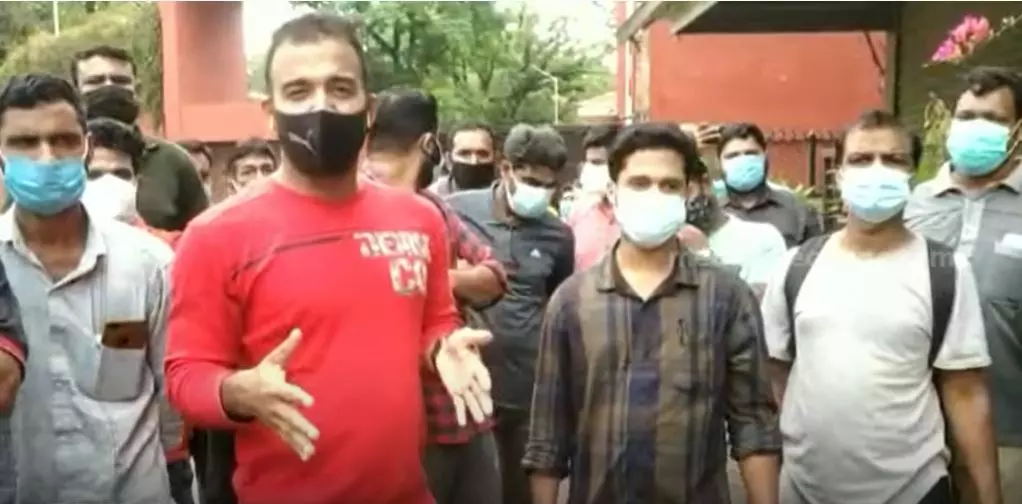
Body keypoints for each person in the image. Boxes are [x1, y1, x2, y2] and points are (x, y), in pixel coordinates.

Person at [164, 14, 493, 504]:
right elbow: (185, 374)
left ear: (369, 108)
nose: (321, 106)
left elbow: (435, 320)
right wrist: (236, 392)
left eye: (340, 88)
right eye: (298, 91)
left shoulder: (418, 219)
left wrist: (442, 347)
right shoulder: (215, 236)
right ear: (270, 112)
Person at [524, 121, 781, 504]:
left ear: (688, 192)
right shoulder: (572, 302)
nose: (654, 195)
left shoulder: (726, 298)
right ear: (613, 192)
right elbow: (548, 436)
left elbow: (754, 427)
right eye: (639, 183)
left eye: (669, 185)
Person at [764, 110, 999, 504]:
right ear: (838, 174)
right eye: (860, 159)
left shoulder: (945, 270)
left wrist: (989, 494)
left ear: (912, 175)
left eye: (893, 160)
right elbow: (775, 377)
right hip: (804, 489)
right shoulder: (795, 266)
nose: (876, 170)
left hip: (914, 489)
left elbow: (966, 393)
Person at [0, 73, 179, 504]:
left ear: (88, 147)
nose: (46, 158)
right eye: (25, 143)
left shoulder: (148, 264)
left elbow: (172, 400)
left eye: (63, 140)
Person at [363, 88, 507, 504]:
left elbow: (495, 275)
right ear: (430, 144)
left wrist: (428, 278)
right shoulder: (350, 205)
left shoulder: (433, 208)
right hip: (399, 425)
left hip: (462, 409)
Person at [906, 66, 1022, 504]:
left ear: (1018, 131)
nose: (976, 126)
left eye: (993, 119)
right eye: (967, 116)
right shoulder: (911, 204)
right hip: (916, 435)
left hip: (1009, 436)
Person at [445, 123, 574, 504]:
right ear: (505, 169)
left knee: (518, 490)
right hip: (464, 381)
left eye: (548, 185)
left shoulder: (558, 235)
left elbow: (555, 302)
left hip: (525, 388)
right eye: (530, 180)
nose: (538, 191)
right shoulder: (456, 210)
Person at [71, 45, 209, 231]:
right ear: (74, 91)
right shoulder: (57, 157)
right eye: (96, 81)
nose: (109, 87)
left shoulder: (173, 160)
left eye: (120, 81)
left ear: (136, 88)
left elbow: (200, 234)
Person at [717, 122, 823, 247]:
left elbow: (817, 255)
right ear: (719, 163)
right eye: (732, 156)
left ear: (765, 157)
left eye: (751, 153)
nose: (742, 160)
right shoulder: (711, 214)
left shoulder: (797, 210)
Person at [429, 121, 498, 195]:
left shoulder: (504, 195)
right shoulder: (432, 196)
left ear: (496, 159)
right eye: (464, 154)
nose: (474, 161)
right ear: (449, 159)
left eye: (482, 154)